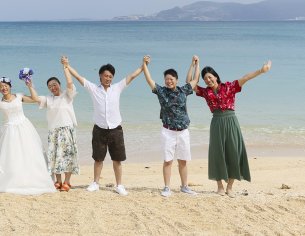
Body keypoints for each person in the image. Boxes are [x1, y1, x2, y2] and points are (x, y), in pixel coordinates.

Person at [65, 57, 145, 195]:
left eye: (111, 76)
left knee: (117, 159)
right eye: (106, 76)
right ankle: (95, 183)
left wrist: (144, 65)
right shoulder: (93, 89)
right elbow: (78, 76)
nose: (108, 79)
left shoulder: (117, 88)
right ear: (100, 76)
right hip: (99, 129)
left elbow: (133, 75)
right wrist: (67, 65)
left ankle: (119, 185)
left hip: (116, 129)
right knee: (98, 158)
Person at [195, 60, 272, 198]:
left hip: (231, 122)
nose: (208, 80)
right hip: (217, 123)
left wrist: (261, 71)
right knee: (217, 153)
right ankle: (219, 186)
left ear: (216, 77)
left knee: (233, 153)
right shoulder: (205, 92)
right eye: (205, 78)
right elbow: (191, 82)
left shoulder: (229, 87)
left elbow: (245, 78)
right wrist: (196, 65)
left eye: (210, 77)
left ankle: (230, 187)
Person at [0, 77, 57, 195]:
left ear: (10, 87)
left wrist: (30, 85)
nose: (4, 88)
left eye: (6, 86)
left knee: (28, 153)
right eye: (1, 86)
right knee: (11, 155)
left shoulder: (19, 96)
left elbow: (35, 99)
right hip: (9, 130)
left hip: (24, 127)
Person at [142, 55, 200, 197]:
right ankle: (167, 187)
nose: (169, 81)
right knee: (168, 161)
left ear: (176, 80)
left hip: (183, 132)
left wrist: (194, 65)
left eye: (171, 79)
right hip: (168, 131)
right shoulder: (161, 92)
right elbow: (149, 80)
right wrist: (145, 64)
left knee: (183, 161)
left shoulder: (183, 91)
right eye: (167, 79)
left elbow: (195, 80)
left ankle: (184, 186)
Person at [38, 56, 80, 191]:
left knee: (67, 156)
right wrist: (29, 83)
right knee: (54, 156)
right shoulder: (48, 99)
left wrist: (65, 66)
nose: (53, 88)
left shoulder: (67, 95)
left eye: (55, 85)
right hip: (53, 131)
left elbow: (70, 82)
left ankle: (67, 182)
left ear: (59, 84)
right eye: (50, 86)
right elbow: (34, 98)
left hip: (67, 129)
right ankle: (58, 181)